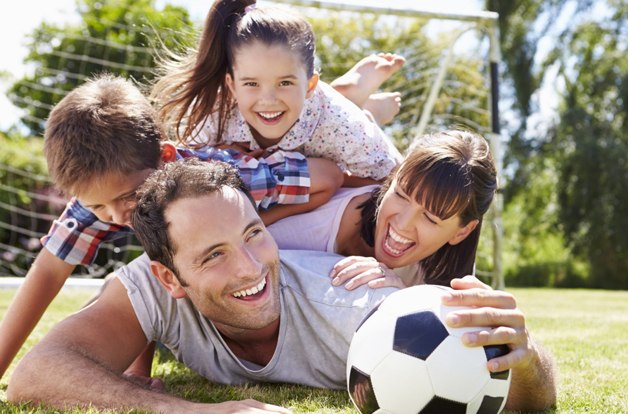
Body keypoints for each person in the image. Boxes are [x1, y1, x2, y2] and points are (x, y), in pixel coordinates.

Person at [6, 159, 557, 412]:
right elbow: (34, 375)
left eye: (253, 234)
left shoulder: (361, 309)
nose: (250, 268)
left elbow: (520, 398)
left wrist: (528, 358)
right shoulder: (147, 290)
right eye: (214, 255)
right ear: (169, 277)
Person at [0, 59, 394, 382]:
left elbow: (327, 177)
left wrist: (252, 225)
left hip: (310, 163)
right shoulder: (98, 197)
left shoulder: (221, 177)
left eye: (126, 197)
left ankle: (355, 103)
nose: (117, 215)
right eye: (98, 207)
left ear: (166, 160)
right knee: (137, 274)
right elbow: (47, 273)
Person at [150, 0, 403, 190]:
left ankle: (369, 111)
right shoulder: (215, 111)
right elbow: (186, 164)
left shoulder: (340, 124)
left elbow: (390, 179)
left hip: (326, 129)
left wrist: (332, 176)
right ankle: (352, 94)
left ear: (310, 85)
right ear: (232, 86)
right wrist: (227, 151)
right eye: (251, 83)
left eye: (284, 82)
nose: (268, 99)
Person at [267, 130, 497, 289]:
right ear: (391, 180)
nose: (403, 224)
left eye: (430, 218)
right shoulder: (318, 210)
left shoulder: (442, 282)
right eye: (401, 195)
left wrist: (397, 295)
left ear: (462, 232)